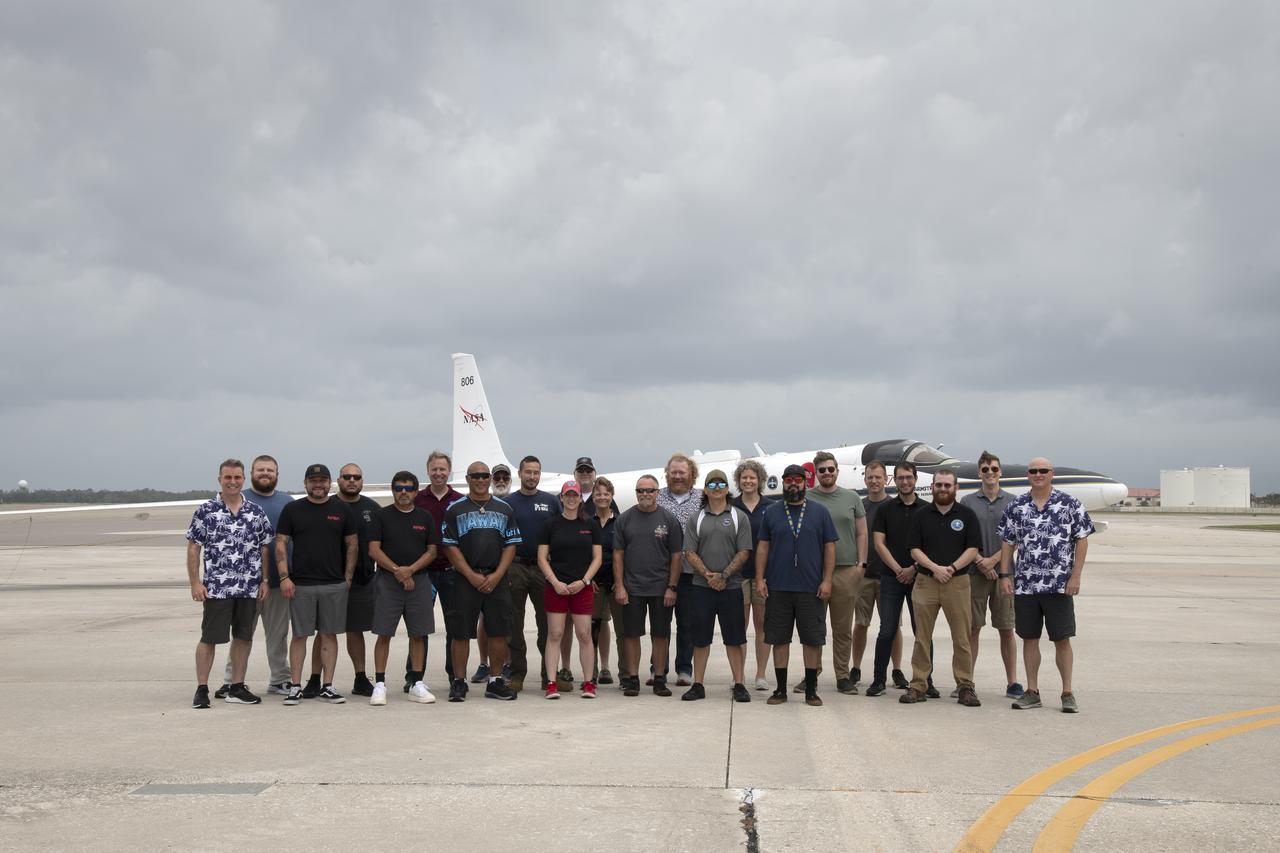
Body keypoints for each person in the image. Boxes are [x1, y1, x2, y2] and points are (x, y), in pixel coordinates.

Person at [999, 457, 1094, 713]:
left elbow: (1082, 540)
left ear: (1051, 474)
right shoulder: (1016, 506)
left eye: (1043, 470)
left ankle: (1067, 692)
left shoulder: (1069, 504)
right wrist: (1005, 575)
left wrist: (1076, 576)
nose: (1038, 474)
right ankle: (1032, 691)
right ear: (1028, 475)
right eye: (1033, 471)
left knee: (1062, 639)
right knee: (1029, 638)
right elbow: (1008, 543)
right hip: (1027, 586)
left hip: (1059, 586)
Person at [187, 459, 272, 709]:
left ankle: (237, 686)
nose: (232, 482)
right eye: (228, 477)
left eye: (237, 477)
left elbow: (264, 547)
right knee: (210, 638)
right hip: (217, 587)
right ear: (220, 479)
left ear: (243, 480)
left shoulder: (255, 512)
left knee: (244, 637)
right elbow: (194, 547)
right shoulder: (206, 510)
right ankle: (202, 688)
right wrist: (195, 582)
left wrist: (264, 580)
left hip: (248, 587)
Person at [756, 464, 837, 707]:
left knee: (812, 640)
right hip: (778, 587)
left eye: (798, 480)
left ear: (806, 483)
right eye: (789, 480)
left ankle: (811, 690)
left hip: (811, 588)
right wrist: (760, 578)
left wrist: (827, 580)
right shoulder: (771, 512)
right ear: (783, 483)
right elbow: (762, 547)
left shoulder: (820, 512)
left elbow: (829, 548)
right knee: (779, 639)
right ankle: (780, 690)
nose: (793, 484)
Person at [276, 463, 357, 706]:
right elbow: (280, 544)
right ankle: (296, 687)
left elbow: (352, 544)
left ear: (329, 482)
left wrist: (347, 578)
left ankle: (328, 686)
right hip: (300, 585)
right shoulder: (293, 510)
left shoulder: (342, 509)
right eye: (313, 480)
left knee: (329, 635)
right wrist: (284, 577)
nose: (318, 484)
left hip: (334, 584)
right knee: (300, 635)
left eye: (322, 480)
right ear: (305, 483)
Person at [900, 469, 982, 707]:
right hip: (926, 582)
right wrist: (935, 568)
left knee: (962, 638)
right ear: (932, 487)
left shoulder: (967, 515)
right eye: (939, 485)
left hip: (957, 584)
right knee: (922, 637)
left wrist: (952, 568)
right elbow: (914, 548)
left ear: (955, 488)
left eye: (947, 485)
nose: (943, 489)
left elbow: (973, 548)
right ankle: (918, 685)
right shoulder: (921, 515)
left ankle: (965, 686)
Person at [213, 454, 293, 698]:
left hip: (278, 584)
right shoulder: (240, 499)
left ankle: (280, 679)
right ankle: (231, 681)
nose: (265, 474)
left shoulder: (288, 502)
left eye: (270, 470)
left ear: (277, 474)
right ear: (252, 473)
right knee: (241, 634)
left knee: (277, 635)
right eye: (261, 470)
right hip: (244, 584)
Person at [441, 461, 521, 702]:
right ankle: (459, 682)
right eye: (475, 475)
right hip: (466, 578)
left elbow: (511, 545)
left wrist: (497, 575)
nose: (480, 479)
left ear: (489, 479)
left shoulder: (504, 508)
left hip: (496, 577)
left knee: (498, 631)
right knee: (461, 632)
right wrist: (471, 575)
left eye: (484, 475)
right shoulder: (455, 509)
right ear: (467, 479)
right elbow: (450, 547)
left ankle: (495, 682)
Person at [302, 462, 379, 699]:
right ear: (339, 480)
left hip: (361, 582)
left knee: (355, 630)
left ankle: (360, 678)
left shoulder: (372, 508)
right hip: (327, 581)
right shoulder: (327, 505)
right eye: (347, 477)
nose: (352, 481)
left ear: (362, 481)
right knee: (324, 632)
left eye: (357, 477)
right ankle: (316, 679)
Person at [368, 471, 439, 705]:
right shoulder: (381, 516)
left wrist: (410, 570)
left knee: (418, 633)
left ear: (416, 491)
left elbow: (432, 551)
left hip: (419, 581)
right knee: (384, 633)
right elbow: (374, 550)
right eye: (399, 488)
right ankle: (379, 684)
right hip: (388, 581)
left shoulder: (425, 516)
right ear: (393, 490)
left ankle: (417, 683)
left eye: (408, 488)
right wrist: (399, 571)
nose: (403, 492)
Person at [682, 469, 753, 702]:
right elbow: (689, 552)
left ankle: (739, 683)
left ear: (727, 488)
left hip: (731, 587)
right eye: (711, 485)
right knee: (700, 639)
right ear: (705, 490)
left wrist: (723, 575)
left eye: (720, 484)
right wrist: (707, 575)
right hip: (701, 588)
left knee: (734, 638)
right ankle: (698, 684)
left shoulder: (738, 517)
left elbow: (744, 551)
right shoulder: (697, 518)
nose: (716, 488)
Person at [866, 462, 935, 698]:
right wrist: (898, 570)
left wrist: (913, 568)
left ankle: (926, 680)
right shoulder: (886, 509)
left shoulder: (927, 509)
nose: (905, 482)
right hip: (890, 577)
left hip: (921, 579)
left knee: (922, 632)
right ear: (893, 480)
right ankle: (878, 680)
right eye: (900, 478)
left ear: (915, 479)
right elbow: (878, 544)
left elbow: (930, 546)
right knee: (887, 630)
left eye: (909, 477)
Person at [801, 452, 867, 695]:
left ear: (837, 471)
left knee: (842, 628)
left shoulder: (851, 497)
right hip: (814, 573)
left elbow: (862, 532)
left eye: (830, 469)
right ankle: (812, 673)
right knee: (814, 627)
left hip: (846, 570)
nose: (827, 473)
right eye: (822, 470)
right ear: (815, 474)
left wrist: (861, 564)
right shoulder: (807, 498)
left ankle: (842, 675)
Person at [960, 451, 1022, 699]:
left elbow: (1017, 537)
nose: (990, 473)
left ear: (1000, 472)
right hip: (974, 574)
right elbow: (962, 537)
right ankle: (967, 681)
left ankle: (1013, 682)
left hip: (1004, 574)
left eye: (994, 469)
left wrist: (995, 561)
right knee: (972, 629)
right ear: (979, 473)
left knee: (1006, 628)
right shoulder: (967, 502)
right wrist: (980, 561)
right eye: (985, 469)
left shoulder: (1014, 502)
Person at [614, 475, 682, 697]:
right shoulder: (625, 519)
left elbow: (676, 556)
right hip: (632, 588)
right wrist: (620, 586)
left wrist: (672, 587)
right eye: (641, 491)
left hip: (661, 589)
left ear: (657, 493)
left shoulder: (669, 519)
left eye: (649, 490)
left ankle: (660, 678)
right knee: (632, 634)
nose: (645, 494)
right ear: (636, 493)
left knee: (660, 635)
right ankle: (633, 679)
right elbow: (618, 556)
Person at [537, 481, 603, 699]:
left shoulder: (590, 525)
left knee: (584, 635)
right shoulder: (550, 525)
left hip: (581, 588)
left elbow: (597, 558)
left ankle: (588, 683)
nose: (572, 498)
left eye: (575, 495)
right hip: (556, 586)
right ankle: (552, 683)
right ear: (562, 498)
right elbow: (542, 558)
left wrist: (584, 581)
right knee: (555, 634)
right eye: (568, 495)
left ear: (580, 499)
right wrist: (555, 582)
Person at [502, 455, 561, 693]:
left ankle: (550, 675)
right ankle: (517, 673)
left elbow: (560, 532)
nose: (532, 477)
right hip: (515, 567)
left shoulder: (550, 501)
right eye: (528, 472)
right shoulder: (508, 502)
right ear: (520, 473)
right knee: (514, 623)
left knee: (547, 624)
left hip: (542, 570)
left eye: (536, 472)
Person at [849, 461, 904, 689]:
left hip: (890, 578)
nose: (874, 481)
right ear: (865, 480)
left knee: (892, 626)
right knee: (861, 623)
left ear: (886, 479)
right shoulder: (859, 508)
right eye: (870, 477)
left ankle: (897, 669)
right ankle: (856, 667)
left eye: (878, 477)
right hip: (864, 576)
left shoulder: (895, 507)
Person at [411, 451, 463, 690]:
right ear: (428, 471)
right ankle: (414, 676)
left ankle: (455, 675)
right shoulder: (417, 499)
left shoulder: (461, 500)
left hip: (453, 571)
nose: (439, 473)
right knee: (419, 627)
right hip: (425, 572)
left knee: (454, 626)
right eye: (434, 469)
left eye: (443, 469)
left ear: (449, 471)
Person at [656, 453, 702, 686]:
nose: (677, 476)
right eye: (673, 472)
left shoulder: (703, 498)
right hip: (660, 572)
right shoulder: (658, 496)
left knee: (687, 624)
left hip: (691, 573)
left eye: (682, 472)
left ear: (691, 474)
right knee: (660, 625)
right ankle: (659, 669)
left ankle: (684, 669)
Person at [730, 459, 774, 691]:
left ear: (760, 481)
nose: (748, 481)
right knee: (739, 625)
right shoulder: (731, 506)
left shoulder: (770, 506)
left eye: (752, 477)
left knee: (762, 625)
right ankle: (739, 675)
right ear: (739, 481)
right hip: (737, 576)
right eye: (744, 477)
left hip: (762, 576)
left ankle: (760, 674)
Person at [470, 462, 513, 683]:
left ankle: (506, 663)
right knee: (484, 619)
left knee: (504, 620)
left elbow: (512, 543)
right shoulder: (477, 503)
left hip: (508, 570)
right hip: (481, 572)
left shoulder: (510, 505)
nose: (501, 481)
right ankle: (484, 663)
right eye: (497, 477)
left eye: (505, 477)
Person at [587, 477, 624, 686]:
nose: (602, 497)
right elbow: (583, 553)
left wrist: (622, 582)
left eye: (606, 494)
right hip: (593, 584)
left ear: (612, 496)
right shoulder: (587, 523)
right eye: (598, 494)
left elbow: (626, 553)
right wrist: (587, 577)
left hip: (617, 583)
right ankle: (590, 673)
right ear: (593, 497)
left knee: (622, 630)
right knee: (592, 628)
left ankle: (625, 675)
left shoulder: (621, 522)